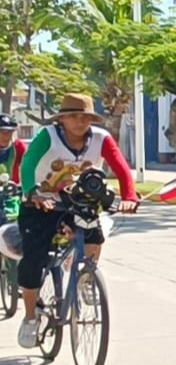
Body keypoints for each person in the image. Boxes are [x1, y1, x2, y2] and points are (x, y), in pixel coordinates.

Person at [16, 94, 138, 348]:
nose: (79, 121)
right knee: (33, 259)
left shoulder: (100, 138)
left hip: (77, 201)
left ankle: (86, 279)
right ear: (61, 119)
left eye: (85, 117)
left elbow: (121, 167)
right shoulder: (48, 136)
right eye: (73, 116)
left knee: (94, 235)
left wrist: (129, 196)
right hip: (41, 202)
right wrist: (32, 192)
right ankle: (30, 318)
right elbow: (27, 165)